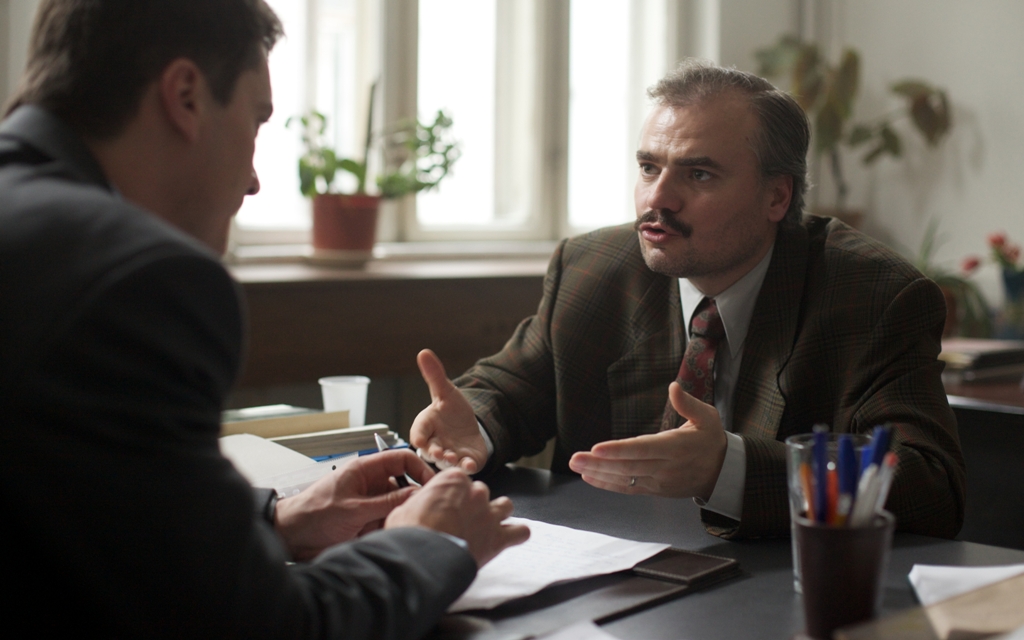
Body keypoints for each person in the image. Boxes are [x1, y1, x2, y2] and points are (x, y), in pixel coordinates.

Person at [0, 1, 528, 637]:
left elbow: (74, 508)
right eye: (255, 122)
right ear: (186, 96)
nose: (253, 181)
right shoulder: (137, 277)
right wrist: (432, 543)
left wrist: (274, 522)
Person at [410, 60, 966, 541]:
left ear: (777, 196)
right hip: (612, 575)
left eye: (699, 174)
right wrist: (476, 426)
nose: (658, 198)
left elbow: (929, 486)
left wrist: (730, 468)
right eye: (649, 167)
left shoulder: (872, 296)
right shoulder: (593, 268)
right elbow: (510, 389)